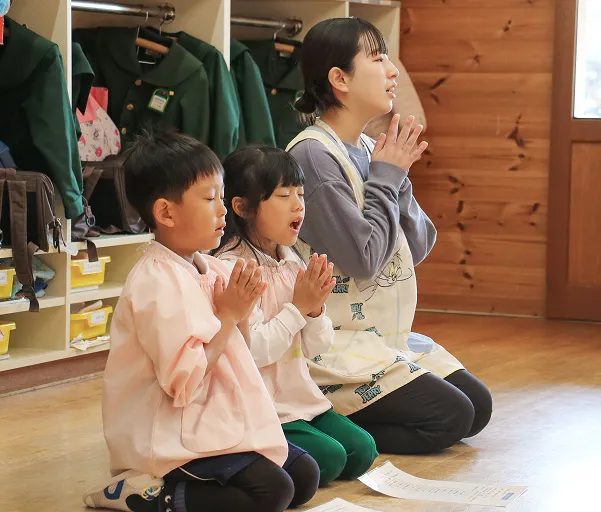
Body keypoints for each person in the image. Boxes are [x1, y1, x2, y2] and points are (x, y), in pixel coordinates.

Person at [286, 17, 493, 454]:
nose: (393, 71)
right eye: (378, 59)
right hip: (333, 341)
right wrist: (387, 176)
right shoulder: (313, 155)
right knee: (451, 418)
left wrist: (396, 176)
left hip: (379, 334)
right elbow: (363, 261)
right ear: (340, 79)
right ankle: (324, 424)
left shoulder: (367, 147)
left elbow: (416, 247)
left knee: (478, 408)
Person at [82, 131, 319, 512]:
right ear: (166, 213)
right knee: (271, 493)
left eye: (222, 198)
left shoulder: (211, 268)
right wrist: (229, 316)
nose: (222, 211)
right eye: (210, 199)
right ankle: (146, 495)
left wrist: (243, 315)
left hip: (215, 417)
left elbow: (244, 353)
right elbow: (185, 384)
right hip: (170, 431)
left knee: (304, 476)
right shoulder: (155, 282)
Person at [215, 145, 378, 486]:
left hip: (301, 399)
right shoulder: (232, 268)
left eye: (301, 194)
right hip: (263, 407)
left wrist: (315, 309)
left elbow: (318, 347)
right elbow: (254, 353)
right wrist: (298, 309)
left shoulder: (292, 261)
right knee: (331, 459)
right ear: (242, 207)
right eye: (283, 195)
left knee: (363, 450)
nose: (298, 205)